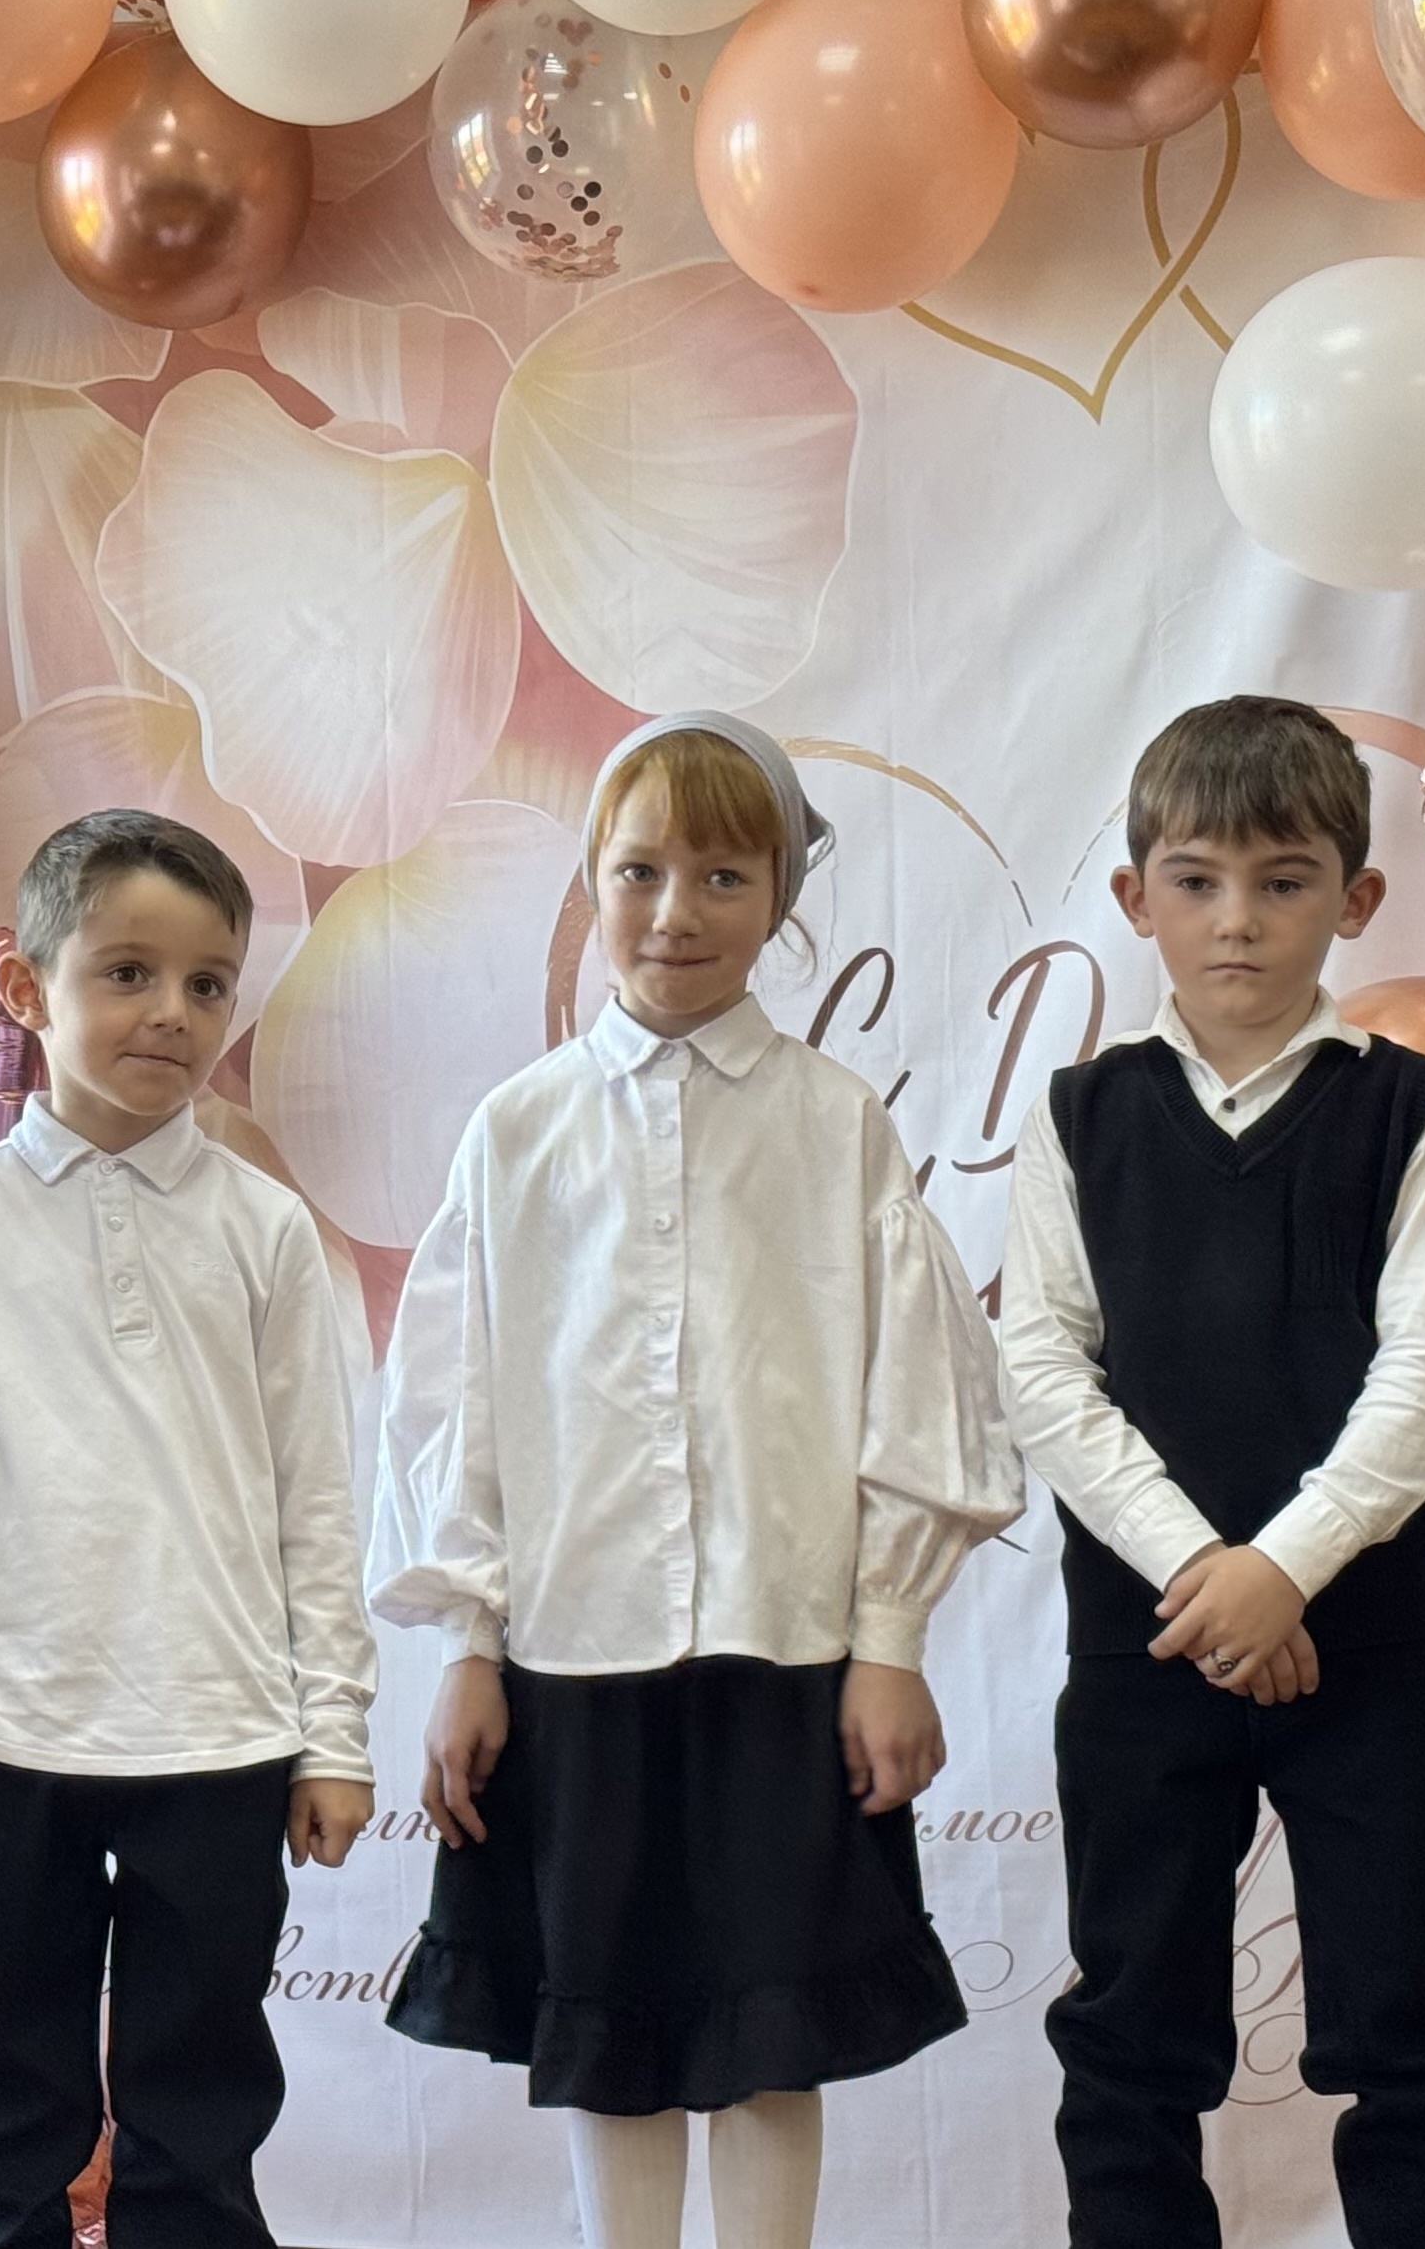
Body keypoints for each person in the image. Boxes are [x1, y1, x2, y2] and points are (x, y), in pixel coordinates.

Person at [371, 712, 1018, 2249]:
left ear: (780, 896)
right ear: (591, 880)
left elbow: (915, 1391)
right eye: (641, 870)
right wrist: (468, 1644)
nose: (677, 912)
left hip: (784, 1654)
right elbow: (452, 1400)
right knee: (608, 2026)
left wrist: (889, 1640)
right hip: (572, 1654)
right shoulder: (520, 1132)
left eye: (724, 876)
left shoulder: (833, 1124)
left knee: (772, 2030)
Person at [1001, 697, 1425, 2247]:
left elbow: (1417, 1379)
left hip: (1363, 1643)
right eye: (1198, 879)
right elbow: (1045, 1372)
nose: (1238, 919)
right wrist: (1206, 1576)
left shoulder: (1412, 1109)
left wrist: (1285, 1567)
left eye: (1284, 882)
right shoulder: (1083, 1115)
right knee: (1131, 2028)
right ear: (1135, 896)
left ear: (1354, 899)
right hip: (1146, 1644)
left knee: (1405, 2025)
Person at [0, 809, 379, 2249]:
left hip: (221, 1734)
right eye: (129, 972)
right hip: (6, 1729)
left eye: (208, 984)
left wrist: (332, 1733)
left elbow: (317, 1500)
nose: (172, 1012)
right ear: (29, 989)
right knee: (6, 2094)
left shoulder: (266, 1230)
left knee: (200, 2098)